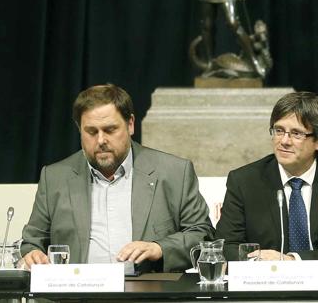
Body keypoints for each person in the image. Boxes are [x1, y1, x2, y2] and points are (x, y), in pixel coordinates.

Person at [21, 84, 214, 272]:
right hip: (78, 293)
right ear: (79, 129)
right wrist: (33, 255)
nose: (101, 140)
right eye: (91, 131)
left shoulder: (173, 172)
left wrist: (159, 248)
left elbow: (202, 236)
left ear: (130, 124)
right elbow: (32, 242)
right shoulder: (55, 177)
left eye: (110, 129)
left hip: (149, 293)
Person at [215, 91, 318, 272]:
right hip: (265, 290)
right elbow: (226, 247)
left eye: (296, 134)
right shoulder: (244, 181)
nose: (284, 141)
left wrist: (293, 261)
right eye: (279, 130)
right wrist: (259, 261)